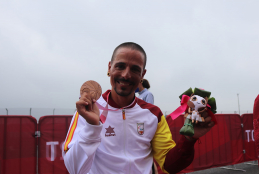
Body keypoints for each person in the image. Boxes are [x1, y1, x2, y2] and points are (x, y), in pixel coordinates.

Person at [63, 42, 215, 174]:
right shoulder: (89, 110)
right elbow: (75, 169)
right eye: (120, 66)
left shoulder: (153, 114)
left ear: (143, 74)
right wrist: (92, 127)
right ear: (110, 67)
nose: (126, 75)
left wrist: (189, 139)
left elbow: (170, 165)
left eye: (135, 69)